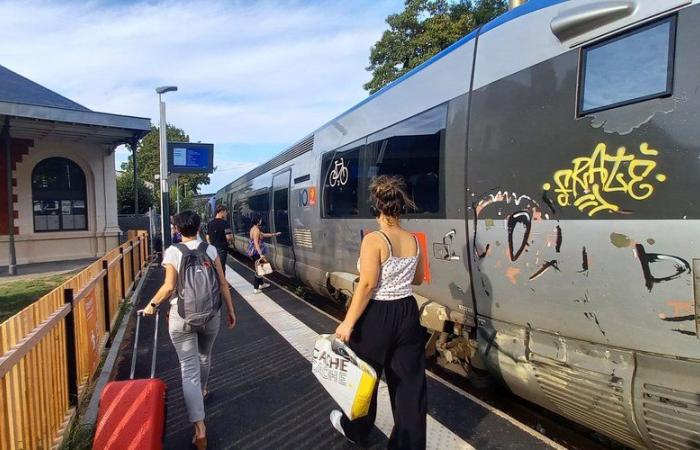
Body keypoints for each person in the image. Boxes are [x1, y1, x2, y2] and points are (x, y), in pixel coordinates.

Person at [330, 175, 426, 449]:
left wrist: (348, 323)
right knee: (410, 387)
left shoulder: (374, 239)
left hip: (378, 314)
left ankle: (357, 430)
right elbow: (417, 279)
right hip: (408, 312)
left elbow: (368, 284)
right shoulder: (414, 240)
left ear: (377, 207)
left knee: (364, 379)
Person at [143, 210, 236, 450]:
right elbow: (223, 283)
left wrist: (151, 305)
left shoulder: (173, 251)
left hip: (181, 318)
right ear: (198, 227)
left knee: (189, 371)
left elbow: (168, 287)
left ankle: (200, 428)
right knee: (205, 356)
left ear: (176, 229)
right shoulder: (211, 249)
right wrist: (230, 310)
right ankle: (203, 390)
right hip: (211, 315)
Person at [248, 215, 281, 294]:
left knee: (259, 268)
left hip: (254, 251)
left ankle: (261, 284)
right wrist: (260, 254)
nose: (261, 221)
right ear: (258, 221)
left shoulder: (254, 228)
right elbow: (256, 243)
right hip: (257, 252)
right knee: (259, 270)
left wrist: (274, 234)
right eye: (260, 220)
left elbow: (264, 235)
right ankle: (256, 288)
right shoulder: (256, 230)